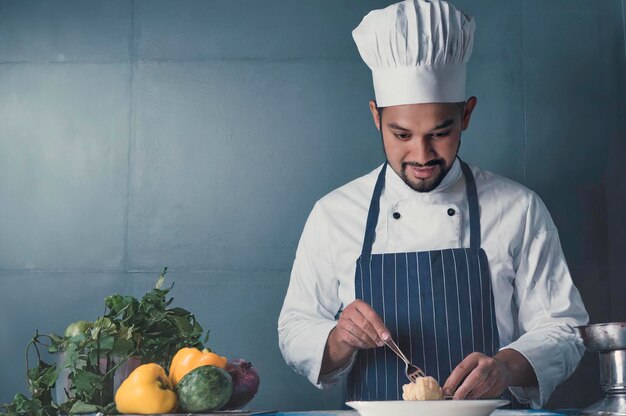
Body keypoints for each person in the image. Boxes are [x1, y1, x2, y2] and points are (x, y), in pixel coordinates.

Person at [277, 0, 588, 408]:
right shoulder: (334, 214)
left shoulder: (519, 209)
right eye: (402, 135)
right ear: (376, 118)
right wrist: (338, 338)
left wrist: (506, 367)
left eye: (439, 133)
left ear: (466, 115)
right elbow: (295, 327)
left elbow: (563, 327)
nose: (422, 155)